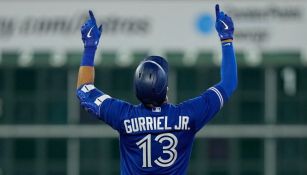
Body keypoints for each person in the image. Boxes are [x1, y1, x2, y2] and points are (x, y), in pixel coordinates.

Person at [76, 4, 237, 175]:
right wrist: (226, 39)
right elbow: (229, 83)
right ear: (165, 88)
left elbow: (83, 89)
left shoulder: (123, 116)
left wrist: (89, 47)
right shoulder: (188, 115)